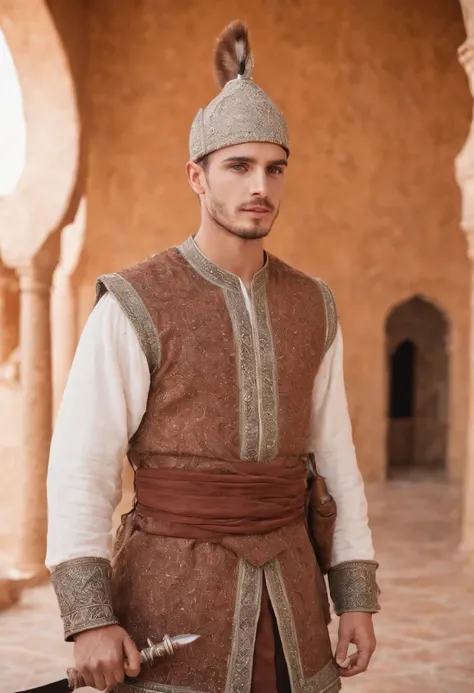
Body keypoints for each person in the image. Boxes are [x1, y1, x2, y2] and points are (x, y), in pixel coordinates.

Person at [46, 20, 380, 693]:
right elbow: (82, 465)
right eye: (239, 166)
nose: (260, 184)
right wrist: (88, 618)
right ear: (197, 176)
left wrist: (356, 594)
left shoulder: (313, 305)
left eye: (274, 167)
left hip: (292, 593)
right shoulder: (135, 301)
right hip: (171, 592)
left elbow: (335, 456)